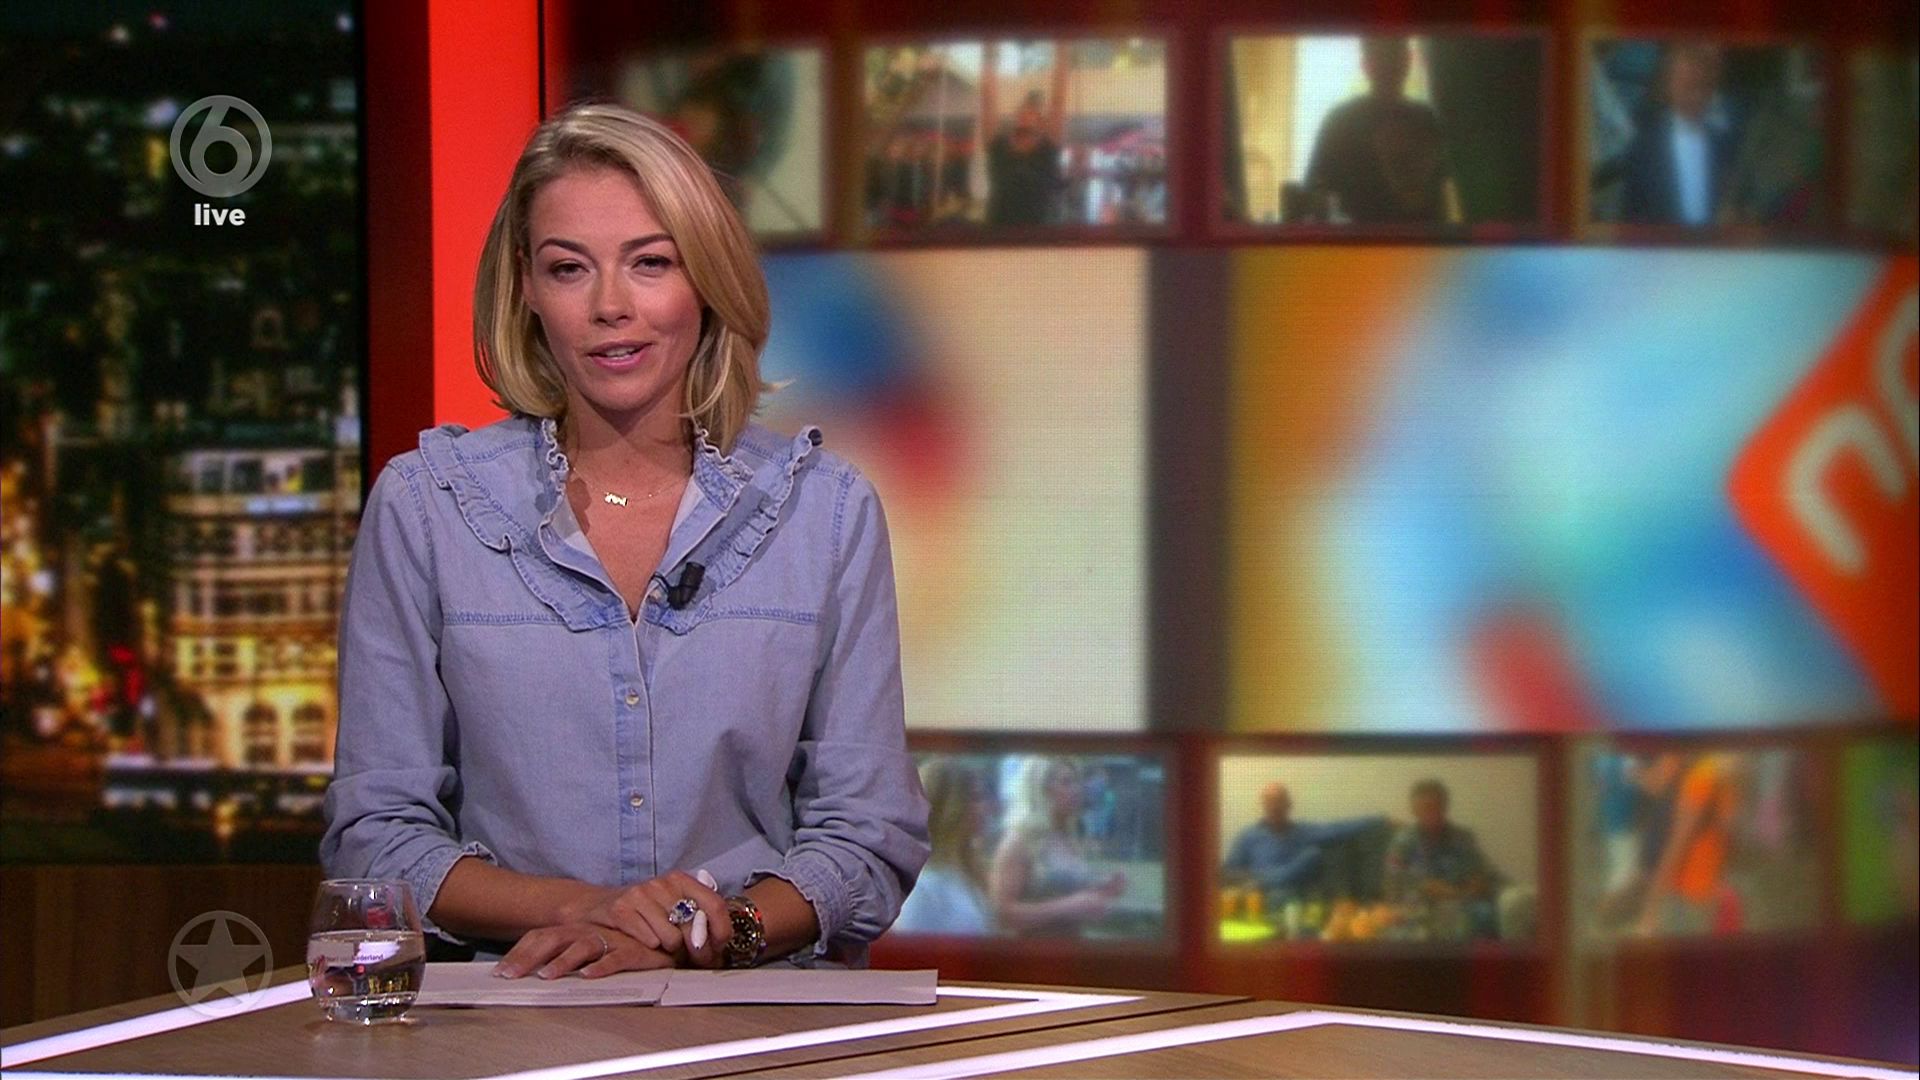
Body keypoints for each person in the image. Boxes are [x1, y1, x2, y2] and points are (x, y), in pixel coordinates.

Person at [320, 102, 931, 980]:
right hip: (511, 1011)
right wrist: (586, 911)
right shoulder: (427, 507)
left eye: (650, 263)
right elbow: (376, 834)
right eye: (570, 268)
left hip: (749, 1016)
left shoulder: (824, 512)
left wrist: (712, 933)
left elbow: (868, 836)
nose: (611, 307)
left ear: (705, 279)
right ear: (527, 288)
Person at [1303, 36, 1459, 226]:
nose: (1389, 66)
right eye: (1383, 57)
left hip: (1405, 239)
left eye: (1393, 56)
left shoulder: (1341, 121)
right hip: (1375, 240)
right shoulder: (1341, 122)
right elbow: (1316, 192)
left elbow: (1315, 191)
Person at [987, 756, 1127, 935]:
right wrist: (1068, 907)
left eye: (1077, 782)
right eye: (1066, 782)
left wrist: (1100, 889)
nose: (1077, 790)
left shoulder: (1067, 837)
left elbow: (1063, 893)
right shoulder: (1019, 842)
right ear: (1040, 789)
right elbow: (1000, 915)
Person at [1611, 43, 1739, 227]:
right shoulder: (1643, 150)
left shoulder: (1725, 146)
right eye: (1689, 84)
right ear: (1669, 83)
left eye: (1704, 84)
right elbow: (1630, 219)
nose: (1697, 93)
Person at [1382, 779, 1504, 939]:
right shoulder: (1402, 842)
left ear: (1446, 807)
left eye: (1438, 807)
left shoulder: (1463, 837)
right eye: (1427, 808)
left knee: (1484, 913)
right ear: (1414, 810)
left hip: (1463, 905)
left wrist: (1472, 885)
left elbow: (1481, 875)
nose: (1433, 814)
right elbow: (1391, 882)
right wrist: (1421, 888)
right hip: (1418, 908)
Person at [1221, 782, 1384, 902]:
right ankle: (1265, 882)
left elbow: (1338, 828)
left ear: (1288, 805)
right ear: (1263, 805)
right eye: (1269, 801)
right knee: (1308, 859)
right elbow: (1229, 872)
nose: (1274, 806)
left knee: (1312, 857)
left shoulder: (1304, 831)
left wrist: (1381, 820)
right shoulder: (1248, 836)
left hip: (1291, 897)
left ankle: (1265, 882)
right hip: (1258, 897)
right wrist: (1252, 878)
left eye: (1279, 801)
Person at [893, 757, 994, 935]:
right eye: (976, 798)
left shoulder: (967, 870)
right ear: (951, 806)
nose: (985, 808)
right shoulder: (921, 888)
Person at [986, 92, 1062, 227]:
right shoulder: (999, 148)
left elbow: (1058, 105)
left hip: (1038, 231)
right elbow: (988, 104)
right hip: (1000, 230)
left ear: (1040, 123)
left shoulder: (1047, 151)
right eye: (1021, 114)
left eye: (1030, 113)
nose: (1024, 117)